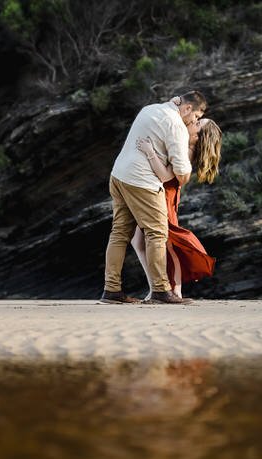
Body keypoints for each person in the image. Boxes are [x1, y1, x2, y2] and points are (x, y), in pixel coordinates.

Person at [101, 91, 207, 305]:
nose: (194, 121)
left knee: (120, 233)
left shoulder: (149, 109)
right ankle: (160, 290)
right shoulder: (176, 125)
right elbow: (183, 174)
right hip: (142, 182)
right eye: (195, 116)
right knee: (157, 234)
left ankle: (111, 290)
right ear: (186, 108)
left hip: (118, 175)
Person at [132, 115, 222, 301]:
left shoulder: (187, 152)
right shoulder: (182, 144)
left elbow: (165, 176)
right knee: (138, 242)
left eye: (198, 123)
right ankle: (156, 289)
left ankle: (175, 291)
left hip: (164, 198)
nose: (193, 123)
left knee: (170, 244)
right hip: (157, 193)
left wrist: (150, 152)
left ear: (200, 136)